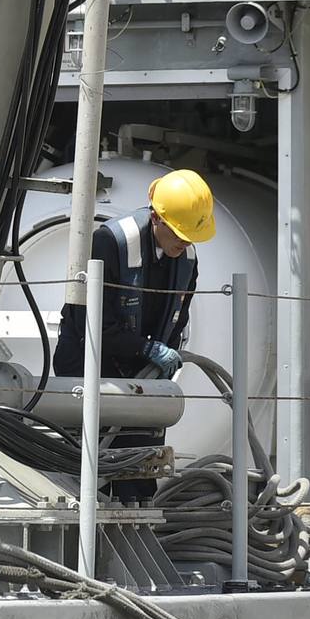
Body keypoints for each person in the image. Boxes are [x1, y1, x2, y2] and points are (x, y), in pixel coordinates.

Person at [53, 169, 216, 500]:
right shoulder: (110, 241)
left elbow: (178, 318)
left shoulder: (186, 256)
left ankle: (136, 527)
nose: (184, 242)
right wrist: (149, 350)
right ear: (156, 217)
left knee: (140, 467)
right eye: (179, 233)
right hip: (90, 364)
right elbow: (94, 324)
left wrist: (160, 358)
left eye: (190, 237)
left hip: (142, 373)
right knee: (89, 470)